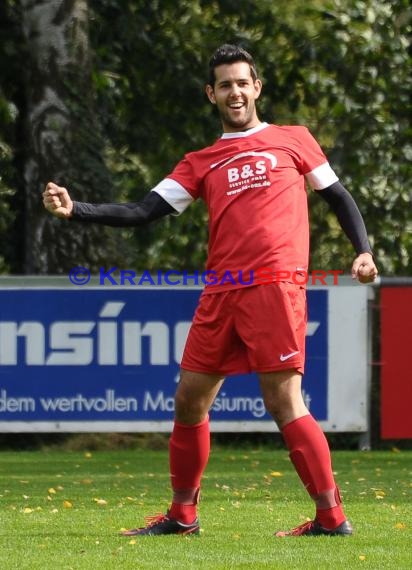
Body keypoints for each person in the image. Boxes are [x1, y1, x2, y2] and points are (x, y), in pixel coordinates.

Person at [43, 44, 378, 537]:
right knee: (188, 399)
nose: (235, 92)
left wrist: (363, 249)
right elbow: (143, 211)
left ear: (257, 87)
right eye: (225, 85)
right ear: (211, 94)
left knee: (284, 400)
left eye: (243, 82)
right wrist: (77, 210)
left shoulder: (293, 140)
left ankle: (331, 518)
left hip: (273, 284)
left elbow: (338, 196)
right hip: (221, 291)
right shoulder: (201, 161)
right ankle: (183, 516)